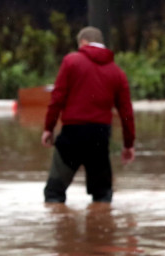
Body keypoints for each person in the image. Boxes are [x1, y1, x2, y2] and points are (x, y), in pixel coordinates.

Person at [42, 26, 136, 204]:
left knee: (54, 192)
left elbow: (57, 98)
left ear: (83, 42)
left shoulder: (71, 62)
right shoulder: (117, 72)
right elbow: (126, 113)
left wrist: (48, 128)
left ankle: (59, 226)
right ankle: (102, 225)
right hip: (100, 136)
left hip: (72, 134)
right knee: (102, 194)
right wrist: (128, 144)